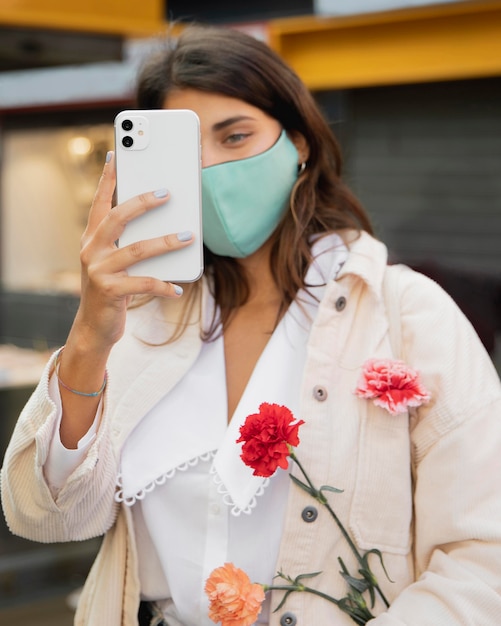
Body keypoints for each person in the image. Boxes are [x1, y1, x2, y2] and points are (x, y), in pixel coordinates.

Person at [1, 24, 501, 626]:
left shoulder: (408, 314)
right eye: (187, 154)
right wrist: (88, 336)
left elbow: (483, 557)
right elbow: (48, 518)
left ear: (299, 143)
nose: (210, 169)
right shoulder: (140, 321)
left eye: (235, 137)